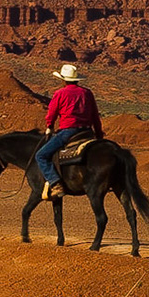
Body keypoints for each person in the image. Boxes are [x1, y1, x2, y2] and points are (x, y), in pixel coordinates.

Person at [35, 62, 103, 201]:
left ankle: (55, 183)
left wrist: (49, 126)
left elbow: (52, 113)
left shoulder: (60, 93)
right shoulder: (87, 93)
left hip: (68, 132)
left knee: (41, 155)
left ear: (63, 80)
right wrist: (99, 135)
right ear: (77, 79)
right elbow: (95, 115)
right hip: (87, 132)